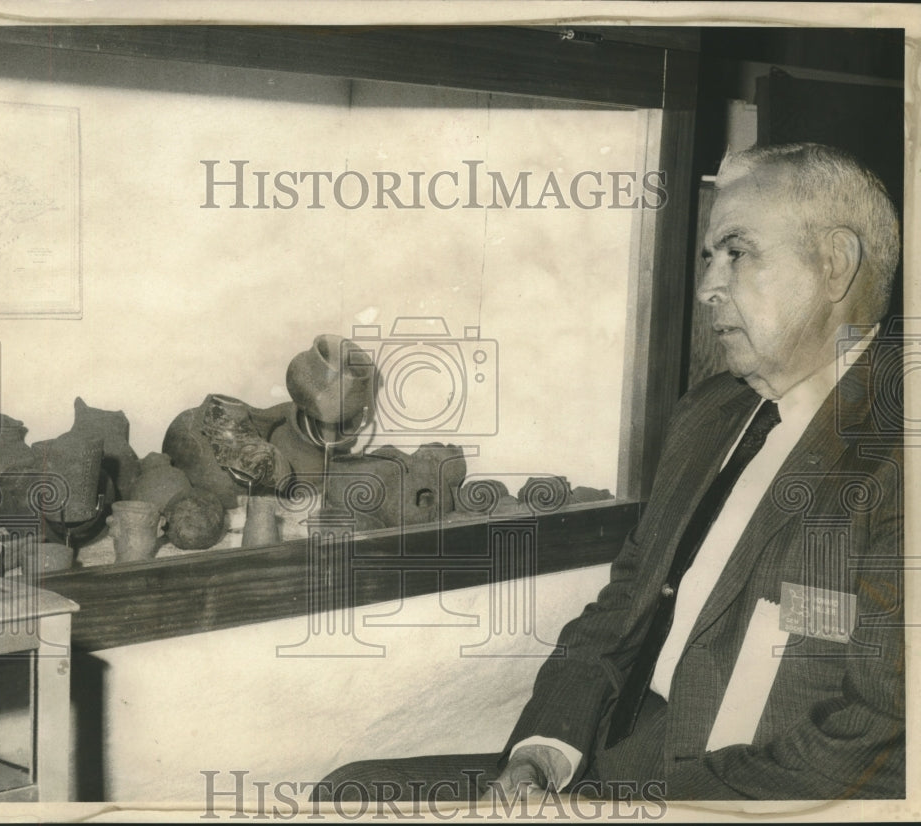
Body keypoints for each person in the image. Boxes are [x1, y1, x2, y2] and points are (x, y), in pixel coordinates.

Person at [314, 143, 905, 803]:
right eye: (710, 257)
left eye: (738, 253)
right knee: (352, 794)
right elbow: (624, 605)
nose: (709, 285)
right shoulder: (710, 412)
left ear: (834, 264)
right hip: (608, 762)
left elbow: (883, 741)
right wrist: (538, 758)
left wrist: (610, 809)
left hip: (715, 795)